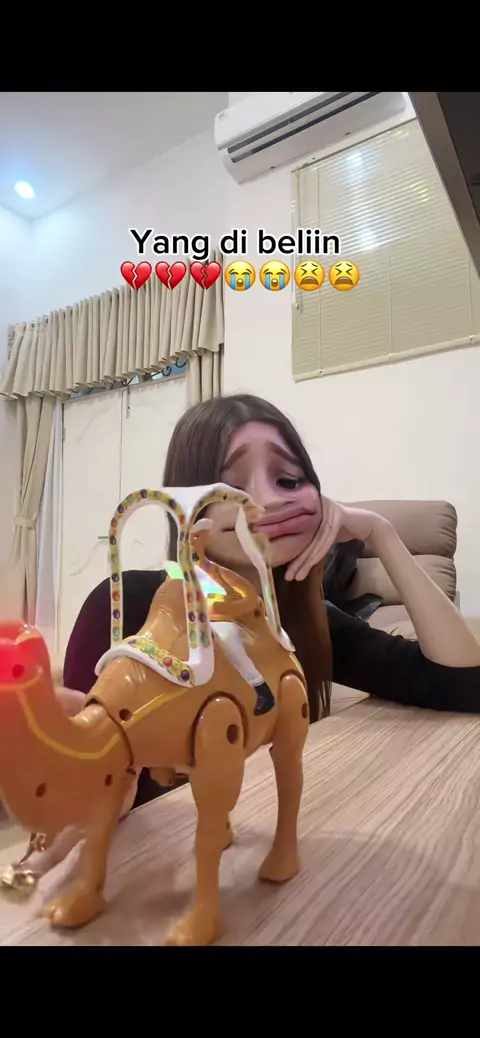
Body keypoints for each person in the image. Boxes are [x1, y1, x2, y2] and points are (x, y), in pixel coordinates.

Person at [58, 392, 480, 811]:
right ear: (188, 509)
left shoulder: (303, 623)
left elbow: (463, 684)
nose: (268, 500)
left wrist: (380, 533)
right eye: (231, 487)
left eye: (289, 480)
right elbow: (75, 778)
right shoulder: (129, 603)